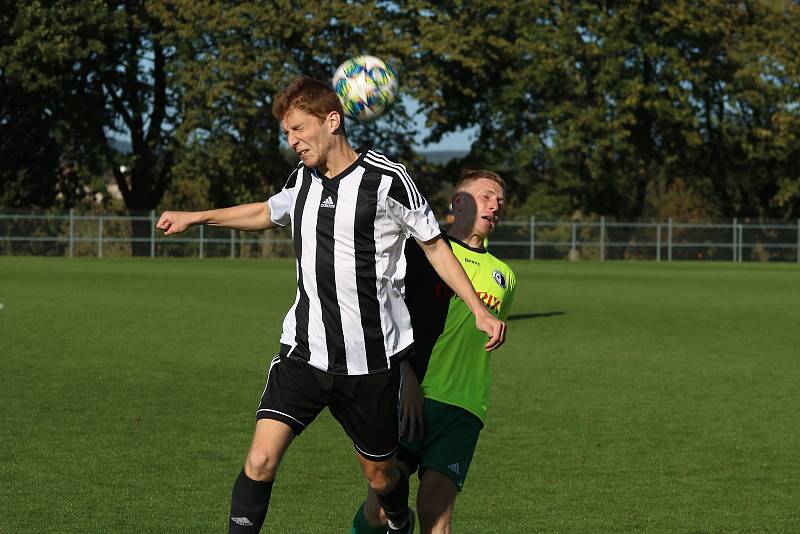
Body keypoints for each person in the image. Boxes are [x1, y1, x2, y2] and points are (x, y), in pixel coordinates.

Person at [155, 77, 506, 533]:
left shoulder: (388, 180)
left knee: (382, 475)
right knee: (260, 460)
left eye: (299, 129)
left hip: (368, 363)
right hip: (303, 351)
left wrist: (478, 309)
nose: (293, 141)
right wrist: (197, 216)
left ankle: (398, 519)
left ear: (332, 121)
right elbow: (267, 211)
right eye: (287, 133)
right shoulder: (301, 178)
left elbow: (436, 246)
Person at [351, 170, 516, 534]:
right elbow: (385, 315)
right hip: (410, 396)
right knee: (380, 509)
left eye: (501, 201)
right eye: (487, 196)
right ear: (458, 203)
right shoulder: (419, 251)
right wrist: (406, 376)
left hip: (463, 407)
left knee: (435, 510)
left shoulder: (504, 275)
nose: (496, 205)